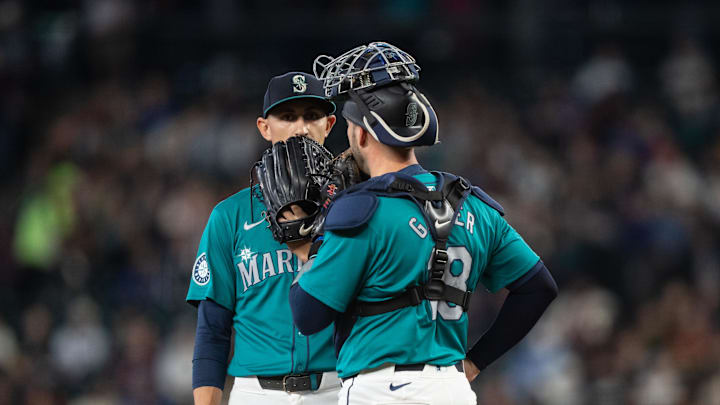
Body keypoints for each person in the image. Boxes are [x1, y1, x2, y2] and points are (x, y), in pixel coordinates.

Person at [287, 43, 558, 405]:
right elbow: (539, 287)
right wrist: (476, 362)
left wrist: (306, 248)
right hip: (453, 390)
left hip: (380, 390)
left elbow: (307, 315)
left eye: (351, 129)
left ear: (364, 133)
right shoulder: (473, 204)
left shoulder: (362, 210)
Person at [186, 71, 342, 405]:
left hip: (339, 388)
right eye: (287, 117)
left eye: (312, 116)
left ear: (329, 125)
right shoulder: (230, 216)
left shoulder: (355, 207)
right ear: (264, 128)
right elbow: (213, 331)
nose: (300, 127)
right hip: (256, 393)